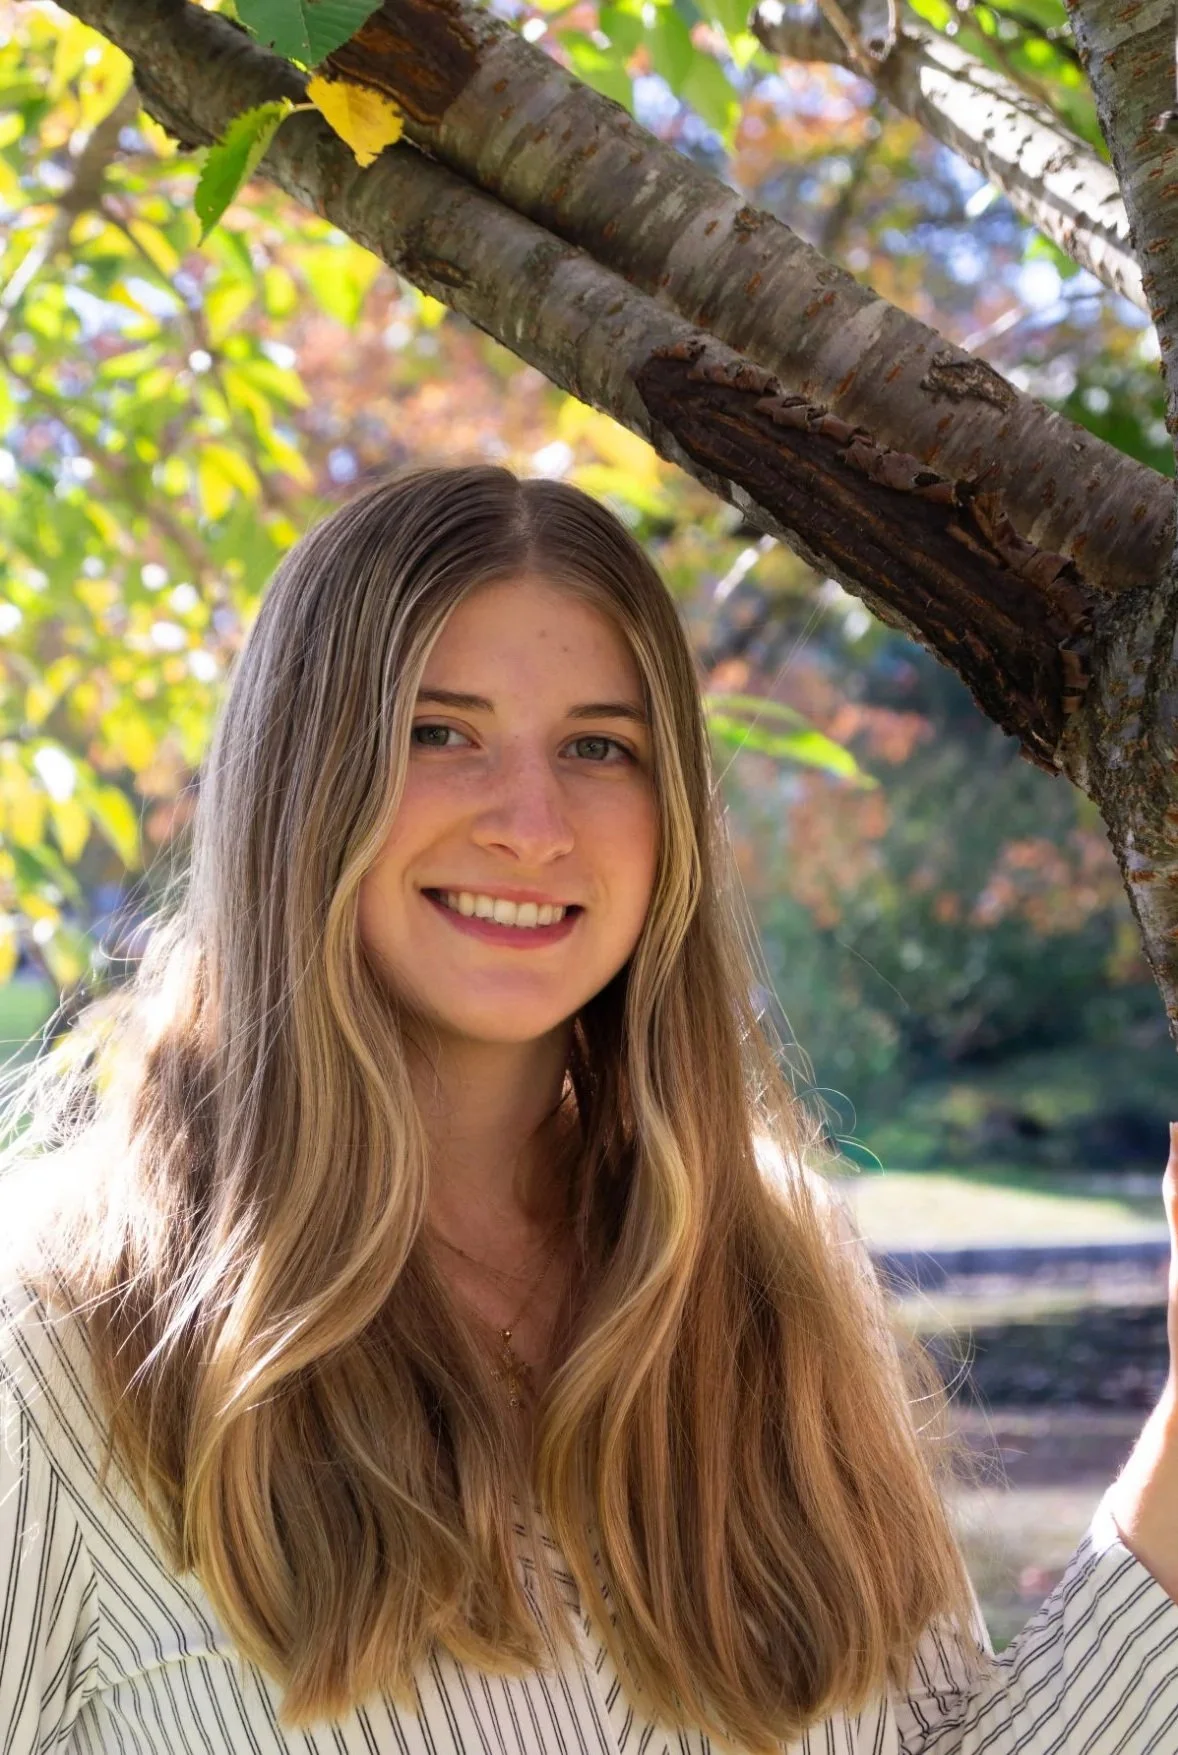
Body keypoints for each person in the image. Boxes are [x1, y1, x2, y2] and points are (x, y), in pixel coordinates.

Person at [0, 464, 1176, 1755]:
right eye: (436, 731)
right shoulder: (58, 1342)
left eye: (597, 748)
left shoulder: (766, 1275)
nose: (531, 823)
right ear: (295, 780)